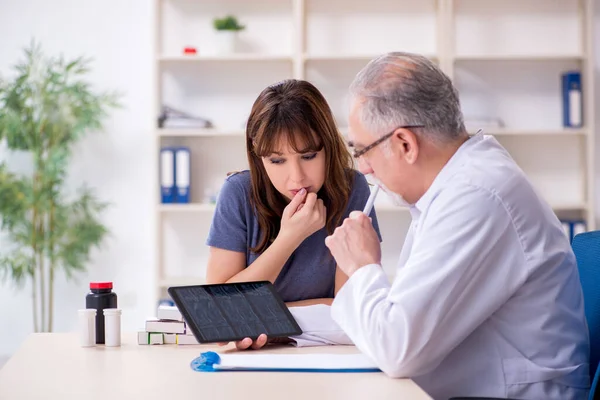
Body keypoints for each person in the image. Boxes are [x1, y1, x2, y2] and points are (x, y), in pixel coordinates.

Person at [323, 52, 590, 400]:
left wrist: (361, 266)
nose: (364, 169)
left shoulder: (477, 195)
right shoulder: (457, 185)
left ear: (405, 144)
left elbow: (397, 350)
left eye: (362, 151)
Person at [205, 79, 381, 348]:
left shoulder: (352, 189)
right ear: (258, 154)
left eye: (309, 156)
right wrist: (289, 238)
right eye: (277, 161)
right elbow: (217, 309)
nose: (297, 177)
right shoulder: (238, 192)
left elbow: (350, 310)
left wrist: (260, 318)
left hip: (327, 357)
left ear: (328, 147)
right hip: (253, 359)